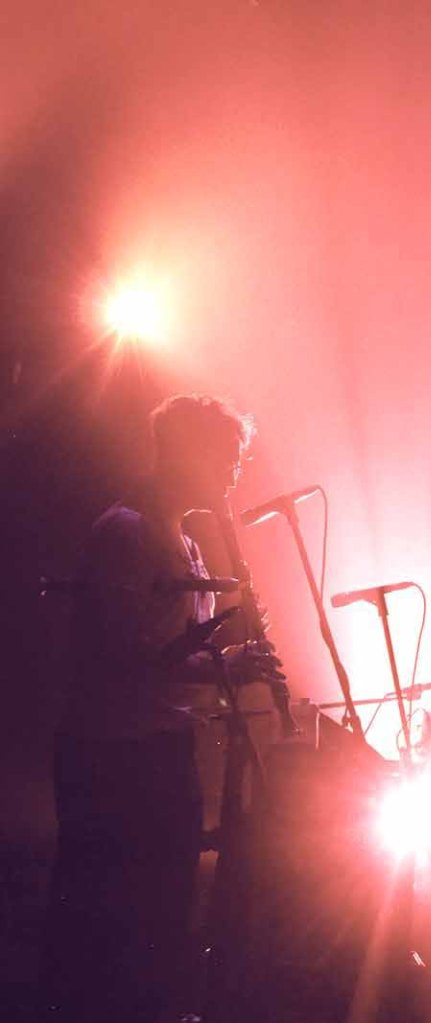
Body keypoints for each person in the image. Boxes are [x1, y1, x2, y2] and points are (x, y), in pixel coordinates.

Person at [41, 394, 285, 1023]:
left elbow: (175, 650)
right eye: (227, 458)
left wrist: (230, 654)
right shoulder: (128, 532)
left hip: (159, 748)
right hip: (115, 755)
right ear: (186, 452)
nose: (235, 473)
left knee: (165, 910)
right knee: (116, 922)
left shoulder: (185, 541)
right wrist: (224, 663)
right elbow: (126, 656)